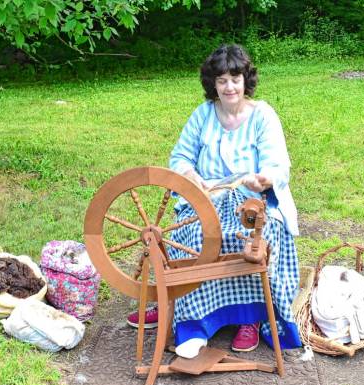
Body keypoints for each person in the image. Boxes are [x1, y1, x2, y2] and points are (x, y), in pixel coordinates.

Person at [127, 44, 301, 358]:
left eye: (235, 78)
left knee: (247, 240)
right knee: (192, 237)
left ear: (246, 80)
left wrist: (263, 178)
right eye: (222, 80)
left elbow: (278, 165)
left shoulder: (262, 115)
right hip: (205, 198)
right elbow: (179, 157)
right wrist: (194, 178)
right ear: (213, 84)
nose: (229, 86)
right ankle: (190, 319)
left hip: (252, 201)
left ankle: (249, 318)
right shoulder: (203, 114)